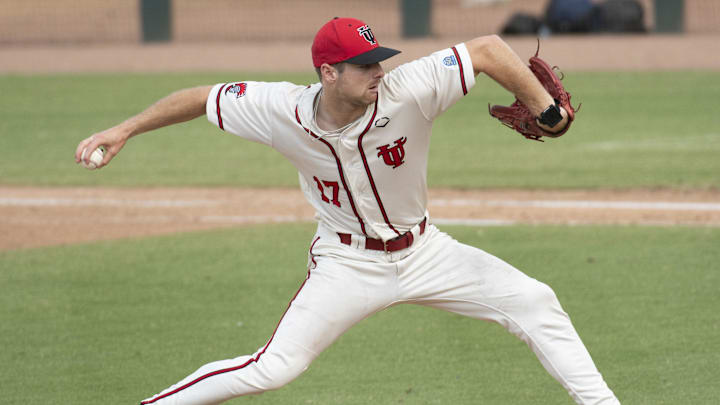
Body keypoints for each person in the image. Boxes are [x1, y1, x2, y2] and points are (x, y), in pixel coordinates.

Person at [75, 17, 620, 405]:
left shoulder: (411, 89)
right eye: (364, 66)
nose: (379, 72)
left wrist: (545, 109)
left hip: (427, 252)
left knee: (534, 302)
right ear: (329, 72)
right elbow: (200, 97)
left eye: (379, 60)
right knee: (274, 367)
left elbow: (487, 49)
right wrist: (124, 129)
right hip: (347, 264)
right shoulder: (279, 110)